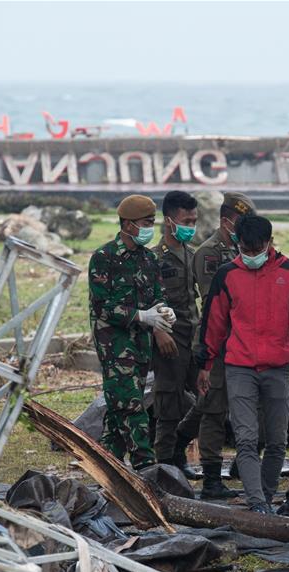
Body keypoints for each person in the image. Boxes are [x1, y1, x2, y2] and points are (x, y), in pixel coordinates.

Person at [196, 215, 289, 513]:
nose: (252, 256)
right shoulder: (227, 275)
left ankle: (265, 495)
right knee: (246, 438)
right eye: (246, 250)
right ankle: (256, 503)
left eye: (257, 249)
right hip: (239, 367)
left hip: (277, 367)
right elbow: (214, 322)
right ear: (238, 244)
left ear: (269, 243)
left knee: (277, 440)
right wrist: (205, 363)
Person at [173, 192, 257, 499]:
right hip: (219, 341)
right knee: (214, 407)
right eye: (242, 223)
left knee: (244, 402)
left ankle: (240, 462)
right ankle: (210, 476)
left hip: (247, 342)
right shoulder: (208, 254)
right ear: (226, 222)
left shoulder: (247, 249)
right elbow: (214, 306)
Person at [89, 194, 176, 471]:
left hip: (141, 345)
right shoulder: (104, 258)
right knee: (130, 407)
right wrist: (140, 315)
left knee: (119, 412)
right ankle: (146, 467)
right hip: (114, 346)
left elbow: (157, 295)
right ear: (128, 225)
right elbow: (102, 307)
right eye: (146, 222)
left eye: (153, 222)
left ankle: (104, 465)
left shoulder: (148, 258)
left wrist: (163, 312)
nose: (151, 228)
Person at [150, 191, 200, 478]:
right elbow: (146, 301)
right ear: (169, 221)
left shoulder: (193, 255)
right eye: (186, 221)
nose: (190, 226)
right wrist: (158, 331)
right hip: (169, 339)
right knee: (168, 403)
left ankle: (180, 446)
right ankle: (167, 465)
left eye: (194, 221)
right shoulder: (154, 259)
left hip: (194, 339)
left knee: (211, 398)